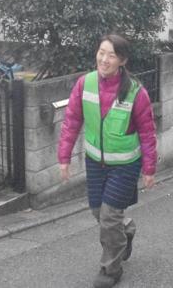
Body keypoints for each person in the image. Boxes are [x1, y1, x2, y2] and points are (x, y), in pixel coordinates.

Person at [58, 34, 157, 288]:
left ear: (122, 60)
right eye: (101, 52)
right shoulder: (85, 84)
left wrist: (149, 168)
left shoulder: (136, 92)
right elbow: (71, 122)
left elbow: (147, 132)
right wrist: (64, 157)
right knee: (98, 213)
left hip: (125, 164)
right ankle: (126, 229)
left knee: (109, 216)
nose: (104, 59)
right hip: (95, 162)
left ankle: (111, 268)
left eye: (111, 55)